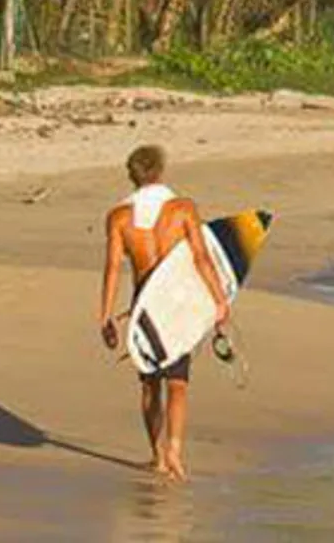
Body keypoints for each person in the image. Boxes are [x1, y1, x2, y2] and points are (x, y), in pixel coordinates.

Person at [97, 145, 230, 481]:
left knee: (149, 384)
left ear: (132, 175)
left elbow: (112, 267)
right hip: (177, 301)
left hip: (146, 303)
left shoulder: (119, 217)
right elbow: (201, 258)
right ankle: (174, 450)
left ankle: (157, 456)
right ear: (161, 170)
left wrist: (106, 315)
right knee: (178, 384)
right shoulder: (183, 209)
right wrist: (219, 301)